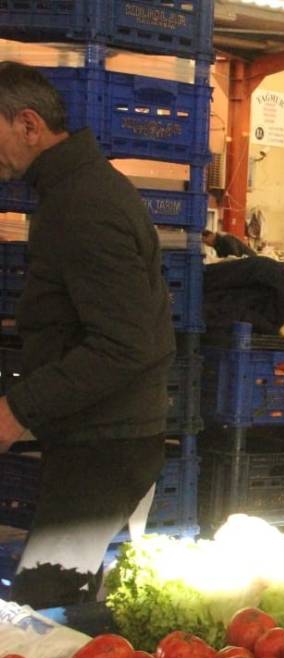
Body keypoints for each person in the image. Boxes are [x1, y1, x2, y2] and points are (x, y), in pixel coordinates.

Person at [0, 62, 175, 607]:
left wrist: (19, 409)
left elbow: (124, 343)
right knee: (63, 598)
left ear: (29, 125)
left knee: (43, 604)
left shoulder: (84, 203)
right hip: (97, 434)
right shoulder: (70, 192)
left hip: (107, 443)